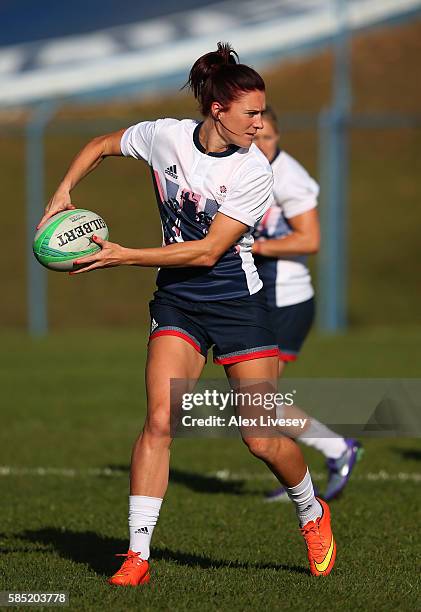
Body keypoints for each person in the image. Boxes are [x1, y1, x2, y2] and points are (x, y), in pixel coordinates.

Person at [38, 43, 336, 584]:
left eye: (263, 112)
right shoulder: (166, 136)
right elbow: (104, 144)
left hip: (236, 303)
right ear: (218, 110)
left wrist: (122, 254)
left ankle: (311, 510)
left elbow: (206, 252)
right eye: (252, 113)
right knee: (158, 420)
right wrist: (63, 192)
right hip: (179, 301)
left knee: (261, 438)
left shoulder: (254, 173)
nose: (261, 123)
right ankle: (138, 556)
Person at [252, 107, 362, 502]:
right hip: (259, 297)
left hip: (286, 299)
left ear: (278, 136)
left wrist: (256, 245)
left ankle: (335, 450)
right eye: (254, 135)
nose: (260, 143)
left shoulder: (290, 178)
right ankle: (324, 460)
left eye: (268, 137)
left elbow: (309, 240)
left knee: (255, 400)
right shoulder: (241, 167)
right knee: (253, 400)